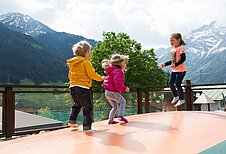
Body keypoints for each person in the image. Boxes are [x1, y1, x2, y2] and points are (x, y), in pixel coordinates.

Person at [67, 40, 105, 131]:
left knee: (77, 104)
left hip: (72, 87)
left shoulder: (73, 63)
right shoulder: (85, 62)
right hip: (83, 88)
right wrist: (101, 78)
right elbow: (92, 74)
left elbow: (69, 75)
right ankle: (87, 127)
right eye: (89, 52)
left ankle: (72, 121)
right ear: (87, 52)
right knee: (88, 107)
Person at [102, 54, 130, 124]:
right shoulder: (118, 71)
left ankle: (110, 120)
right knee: (123, 102)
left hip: (107, 92)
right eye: (124, 63)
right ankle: (121, 116)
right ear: (120, 63)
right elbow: (117, 83)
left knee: (114, 106)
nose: (125, 65)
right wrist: (125, 88)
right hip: (112, 92)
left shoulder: (112, 71)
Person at [161, 33, 187, 107]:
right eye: (170, 41)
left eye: (172, 40)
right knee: (170, 83)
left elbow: (183, 58)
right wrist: (165, 64)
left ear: (178, 40)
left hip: (181, 70)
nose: (171, 42)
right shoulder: (173, 49)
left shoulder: (181, 48)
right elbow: (173, 61)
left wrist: (176, 64)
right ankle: (176, 96)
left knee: (177, 84)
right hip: (174, 70)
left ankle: (181, 99)